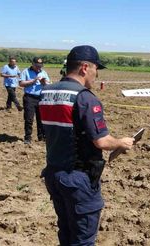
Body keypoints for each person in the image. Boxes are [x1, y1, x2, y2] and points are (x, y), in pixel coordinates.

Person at [39, 45, 134, 245]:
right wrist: (121, 142)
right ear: (84, 68)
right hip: (78, 179)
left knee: (65, 232)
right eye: (95, 68)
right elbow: (101, 141)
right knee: (83, 239)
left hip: (53, 174)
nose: (96, 74)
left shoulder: (46, 93)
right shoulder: (85, 98)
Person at [19, 57, 50, 144]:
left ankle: (41, 137)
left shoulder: (43, 72)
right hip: (29, 98)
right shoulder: (26, 71)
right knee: (29, 119)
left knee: (41, 119)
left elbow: (48, 84)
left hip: (41, 98)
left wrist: (44, 82)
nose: (39, 67)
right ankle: (27, 138)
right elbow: (21, 83)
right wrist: (33, 81)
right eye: (37, 65)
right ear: (32, 64)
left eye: (40, 65)